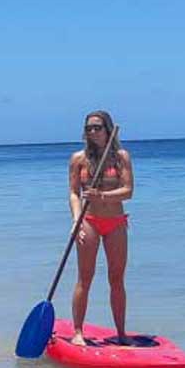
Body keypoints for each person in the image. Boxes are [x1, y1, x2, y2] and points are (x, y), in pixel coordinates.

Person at [68, 111, 134, 346]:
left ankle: (122, 333)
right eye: (88, 128)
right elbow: (74, 193)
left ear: (107, 129)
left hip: (115, 221)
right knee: (85, 278)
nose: (92, 132)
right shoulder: (79, 159)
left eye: (97, 127)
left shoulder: (121, 157)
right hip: (89, 221)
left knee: (117, 278)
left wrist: (102, 195)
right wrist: (76, 222)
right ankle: (77, 332)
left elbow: (128, 191)